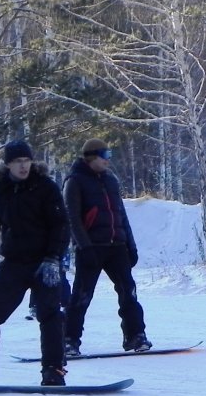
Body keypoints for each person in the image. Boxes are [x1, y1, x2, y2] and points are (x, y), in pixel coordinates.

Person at [0, 140, 69, 386]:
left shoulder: (46, 187)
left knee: (50, 315)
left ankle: (53, 370)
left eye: (26, 161)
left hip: (45, 263)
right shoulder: (1, 191)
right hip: (14, 263)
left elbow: (60, 225)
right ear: (8, 165)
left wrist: (54, 258)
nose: (23, 166)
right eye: (18, 162)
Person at [63, 138, 151, 356]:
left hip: (116, 246)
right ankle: (69, 340)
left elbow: (120, 214)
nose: (108, 161)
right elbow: (72, 218)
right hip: (91, 247)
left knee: (128, 292)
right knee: (82, 296)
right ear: (92, 156)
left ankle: (135, 336)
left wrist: (130, 245)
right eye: (105, 156)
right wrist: (85, 247)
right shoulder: (74, 181)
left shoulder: (110, 180)